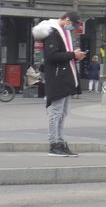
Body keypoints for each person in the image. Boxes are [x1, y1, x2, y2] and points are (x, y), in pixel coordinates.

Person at [31, 10, 86, 157]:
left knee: (62, 113)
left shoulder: (62, 33)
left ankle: (60, 142)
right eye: (71, 24)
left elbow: (59, 55)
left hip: (64, 77)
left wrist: (74, 55)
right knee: (56, 112)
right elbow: (52, 56)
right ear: (66, 19)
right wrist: (73, 55)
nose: (72, 28)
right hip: (57, 78)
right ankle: (54, 143)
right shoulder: (52, 33)